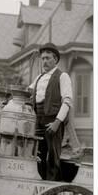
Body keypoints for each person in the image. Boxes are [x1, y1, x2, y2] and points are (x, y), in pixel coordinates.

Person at [29, 43, 73, 181]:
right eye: (42, 59)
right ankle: (41, 186)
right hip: (38, 122)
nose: (44, 61)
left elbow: (67, 102)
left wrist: (56, 123)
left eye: (48, 58)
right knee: (37, 155)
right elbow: (27, 94)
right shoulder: (38, 78)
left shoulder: (62, 76)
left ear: (55, 59)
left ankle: (53, 188)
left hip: (53, 121)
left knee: (53, 157)